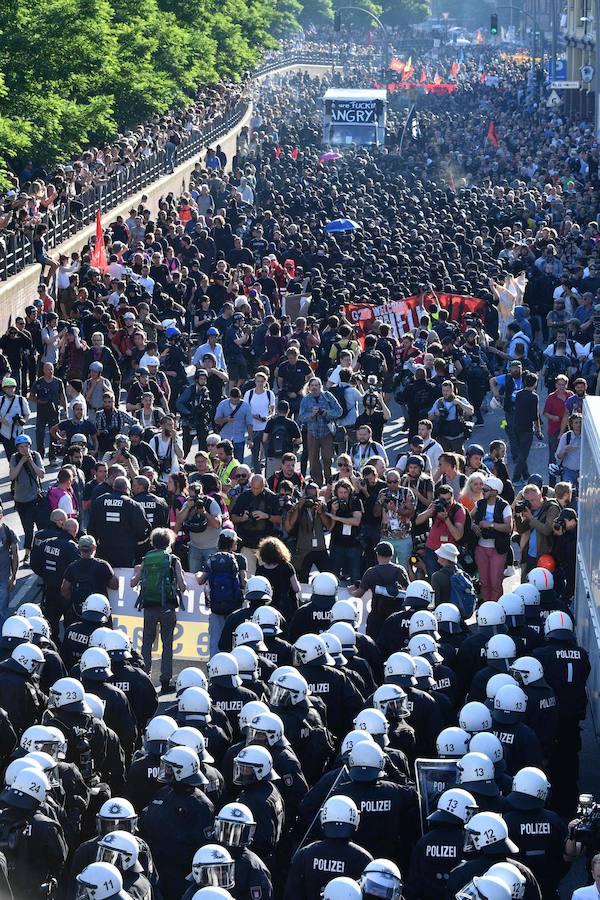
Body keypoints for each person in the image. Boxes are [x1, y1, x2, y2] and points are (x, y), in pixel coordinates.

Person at [131, 527, 187, 692]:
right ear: (169, 543)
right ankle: (165, 679)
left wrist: (137, 572)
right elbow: (183, 586)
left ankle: (144, 675)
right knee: (167, 643)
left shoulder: (146, 559)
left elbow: (133, 583)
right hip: (168, 606)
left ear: (152, 542)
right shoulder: (172, 559)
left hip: (149, 606)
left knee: (147, 643)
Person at [197, 530, 247, 656]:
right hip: (235, 606)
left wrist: (197, 574)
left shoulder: (212, 558)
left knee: (215, 638)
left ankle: (214, 666)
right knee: (235, 637)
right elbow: (244, 582)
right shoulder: (240, 559)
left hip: (216, 605)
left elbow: (201, 580)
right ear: (233, 542)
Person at [352, 541, 409, 638]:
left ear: (377, 555)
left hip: (377, 617)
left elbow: (359, 594)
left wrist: (350, 591)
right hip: (397, 615)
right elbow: (409, 590)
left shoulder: (371, 572)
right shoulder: (400, 570)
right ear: (392, 555)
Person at [230, 475, 281, 577]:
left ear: (263, 486)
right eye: (253, 487)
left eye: (258, 488)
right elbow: (233, 516)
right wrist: (242, 518)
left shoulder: (272, 498)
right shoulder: (244, 496)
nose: (255, 490)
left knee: (268, 575)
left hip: (265, 544)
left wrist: (266, 516)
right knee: (247, 575)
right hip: (247, 543)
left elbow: (280, 519)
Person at [472, 476, 513, 602]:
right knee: (484, 581)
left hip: (497, 548)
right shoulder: (479, 504)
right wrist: (474, 526)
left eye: (485, 489)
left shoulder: (504, 506)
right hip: (481, 547)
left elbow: (508, 527)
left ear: (494, 491)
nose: (482, 491)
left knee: (495, 581)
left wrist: (490, 525)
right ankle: (486, 605)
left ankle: (495, 606)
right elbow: (469, 518)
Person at [298, 377, 343, 487]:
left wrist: (326, 413)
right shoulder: (306, 400)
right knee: (313, 459)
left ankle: (329, 480)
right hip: (312, 433)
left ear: (320, 386)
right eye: (312, 385)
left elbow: (339, 411)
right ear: (309, 387)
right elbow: (301, 417)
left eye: (316, 385)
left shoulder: (328, 396)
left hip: (326, 432)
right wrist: (311, 414)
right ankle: (317, 483)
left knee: (327, 458)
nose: (314, 387)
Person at [9, 433, 45, 566]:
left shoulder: (35, 456)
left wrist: (30, 461)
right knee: (27, 529)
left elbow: (41, 474)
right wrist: (22, 462)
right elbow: (12, 476)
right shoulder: (14, 457)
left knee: (41, 526)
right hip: (21, 500)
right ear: (17, 448)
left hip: (34, 498)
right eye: (21, 447)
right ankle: (28, 554)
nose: (24, 449)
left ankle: (39, 552)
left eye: (26, 446)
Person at [515, 484, 561, 578]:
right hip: (530, 555)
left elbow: (547, 530)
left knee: (542, 584)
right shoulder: (530, 509)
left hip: (545, 556)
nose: (531, 503)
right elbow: (521, 530)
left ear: (540, 495)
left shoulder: (551, 508)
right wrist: (517, 515)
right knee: (528, 583)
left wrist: (531, 518)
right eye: (528, 501)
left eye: (533, 500)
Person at [30, 362, 66, 462]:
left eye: (52, 369)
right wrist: (39, 401)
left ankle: (52, 456)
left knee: (54, 435)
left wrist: (65, 409)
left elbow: (62, 396)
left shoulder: (58, 382)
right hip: (42, 412)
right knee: (40, 434)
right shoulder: (39, 382)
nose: (50, 371)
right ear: (44, 370)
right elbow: (31, 396)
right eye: (48, 369)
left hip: (54, 412)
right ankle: (40, 456)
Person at [512, 373, 543, 485]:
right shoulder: (534, 396)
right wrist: (538, 430)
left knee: (521, 451)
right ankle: (515, 478)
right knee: (523, 454)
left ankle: (525, 474)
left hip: (516, 426)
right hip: (526, 428)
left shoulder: (519, 394)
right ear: (535, 383)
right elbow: (535, 416)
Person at [262, 400, 301, 479]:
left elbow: (264, 439)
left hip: (272, 455)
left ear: (277, 410)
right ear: (288, 411)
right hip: (286, 458)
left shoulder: (271, 422)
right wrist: (292, 442)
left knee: (271, 480)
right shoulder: (291, 423)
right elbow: (299, 440)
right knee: (287, 480)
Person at [555, 412, 582, 488]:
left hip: (583, 472)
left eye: (580, 422)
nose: (578, 425)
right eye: (576, 423)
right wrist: (565, 450)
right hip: (568, 472)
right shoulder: (566, 437)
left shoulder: (586, 437)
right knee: (568, 494)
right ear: (572, 424)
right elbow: (558, 456)